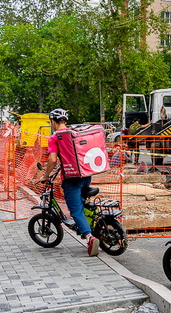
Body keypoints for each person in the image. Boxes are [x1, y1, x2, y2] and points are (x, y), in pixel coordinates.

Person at [39, 108, 100, 257]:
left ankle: (89, 237)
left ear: (53, 121)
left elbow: (53, 159)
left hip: (71, 179)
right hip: (86, 175)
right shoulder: (74, 133)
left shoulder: (54, 138)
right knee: (82, 202)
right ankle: (90, 227)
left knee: (75, 211)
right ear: (65, 121)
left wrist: (46, 176)